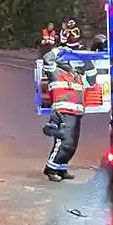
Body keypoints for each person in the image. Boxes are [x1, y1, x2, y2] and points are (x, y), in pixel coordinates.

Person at [41, 48, 97, 181]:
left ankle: (61, 168)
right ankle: (50, 169)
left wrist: (83, 56)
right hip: (62, 113)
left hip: (76, 114)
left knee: (72, 145)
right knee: (64, 143)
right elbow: (47, 58)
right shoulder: (55, 73)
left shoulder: (78, 77)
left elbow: (92, 76)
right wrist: (59, 50)